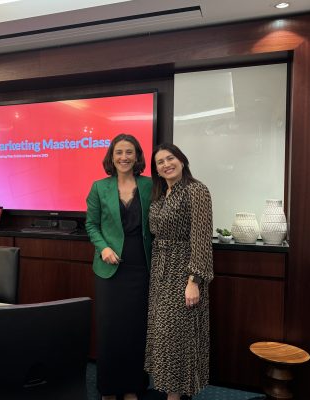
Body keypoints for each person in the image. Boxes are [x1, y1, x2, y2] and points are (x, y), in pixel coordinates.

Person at [85, 133, 153, 400]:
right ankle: (109, 388)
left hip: (141, 265)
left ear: (137, 156)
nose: (124, 157)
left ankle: (133, 387)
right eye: (118, 153)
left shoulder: (150, 185)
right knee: (110, 329)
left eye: (129, 152)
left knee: (137, 329)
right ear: (111, 158)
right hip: (109, 267)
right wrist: (103, 247)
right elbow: (91, 224)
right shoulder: (99, 187)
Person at [145, 143, 214, 400]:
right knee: (163, 338)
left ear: (182, 160)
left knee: (179, 337)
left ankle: (176, 395)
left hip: (184, 273)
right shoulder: (162, 194)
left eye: (170, 158)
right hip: (160, 272)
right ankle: (170, 393)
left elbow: (201, 238)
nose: (166, 164)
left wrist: (194, 280)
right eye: (160, 162)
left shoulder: (196, 190)